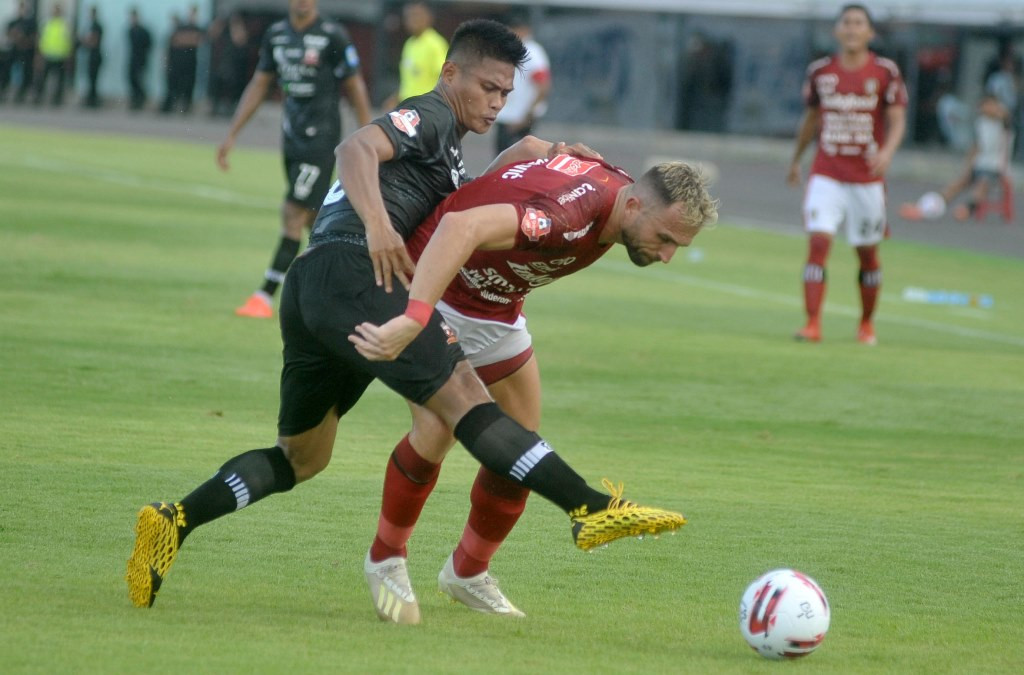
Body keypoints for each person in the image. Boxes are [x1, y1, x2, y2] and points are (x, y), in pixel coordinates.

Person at [126, 18, 687, 613]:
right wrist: (377, 225)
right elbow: (356, 147)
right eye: (489, 88)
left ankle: (174, 520)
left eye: (505, 93)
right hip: (355, 274)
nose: (497, 103)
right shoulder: (434, 114)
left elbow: (494, 178)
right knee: (465, 402)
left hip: (313, 290)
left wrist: (549, 152)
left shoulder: (447, 152)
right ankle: (588, 508)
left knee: (302, 458)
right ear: (451, 75)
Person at [358, 156, 717, 622]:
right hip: (437, 288)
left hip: (496, 306)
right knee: (436, 429)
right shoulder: (567, 216)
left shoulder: (619, 192)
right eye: (665, 239)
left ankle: (467, 573)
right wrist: (416, 315)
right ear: (632, 207)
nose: (667, 255)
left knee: (521, 438)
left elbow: (527, 146)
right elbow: (460, 226)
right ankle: (386, 558)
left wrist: (543, 150)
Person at [221, 0, 373, 319]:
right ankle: (351, 286)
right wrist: (233, 133)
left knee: (292, 211)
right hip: (292, 138)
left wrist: (367, 132)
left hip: (321, 138)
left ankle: (264, 295)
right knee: (311, 219)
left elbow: (354, 83)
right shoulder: (276, 35)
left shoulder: (332, 35)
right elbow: (260, 83)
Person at [786, 3, 906, 346]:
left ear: (870, 32)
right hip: (826, 172)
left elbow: (897, 118)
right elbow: (811, 121)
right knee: (818, 242)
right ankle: (812, 324)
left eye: (859, 23)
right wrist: (796, 159)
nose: (852, 29)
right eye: (847, 23)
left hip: (867, 179)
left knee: (867, 253)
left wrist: (887, 152)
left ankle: (866, 324)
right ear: (837, 31)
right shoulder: (821, 72)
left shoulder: (885, 71)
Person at [899, 94, 1013, 222]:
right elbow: (976, 146)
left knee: (983, 184)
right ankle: (927, 206)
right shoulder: (981, 123)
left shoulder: (1002, 122)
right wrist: (968, 165)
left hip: (996, 166)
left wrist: (998, 109)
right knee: (957, 184)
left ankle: (968, 208)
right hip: (980, 163)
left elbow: (1006, 117)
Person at [494, 13, 551, 153]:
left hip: (521, 115)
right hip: (506, 114)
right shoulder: (508, 49)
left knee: (518, 160)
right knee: (501, 159)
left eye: (517, 28)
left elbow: (543, 85)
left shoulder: (532, 52)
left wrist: (528, 115)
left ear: (526, 30)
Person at [382, 1, 448, 110]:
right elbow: (409, 81)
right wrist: (395, 98)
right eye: (408, 17)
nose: (412, 20)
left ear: (428, 17)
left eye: (416, 15)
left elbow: (445, 79)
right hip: (407, 108)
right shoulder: (409, 44)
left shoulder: (435, 44)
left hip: (425, 109)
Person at [33, 2, 73, 107]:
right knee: (42, 78)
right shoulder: (47, 24)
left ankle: (57, 99)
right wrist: (39, 55)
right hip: (47, 56)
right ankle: (38, 97)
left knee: (60, 80)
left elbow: (68, 42)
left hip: (61, 57)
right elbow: (41, 40)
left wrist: (68, 56)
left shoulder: (64, 25)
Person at [3, 1, 36, 104]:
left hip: (25, 52)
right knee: (6, 71)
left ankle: (21, 93)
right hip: (14, 51)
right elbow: (8, 35)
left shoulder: (30, 23)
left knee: (26, 72)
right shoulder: (13, 22)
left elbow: (33, 37)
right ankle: (4, 89)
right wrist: (15, 36)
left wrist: (23, 39)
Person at [126, 7, 152, 111]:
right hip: (133, 59)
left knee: (139, 79)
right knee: (131, 79)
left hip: (141, 59)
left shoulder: (143, 31)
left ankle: (140, 99)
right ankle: (135, 99)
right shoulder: (130, 30)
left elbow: (148, 45)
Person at [78, 6, 103, 108]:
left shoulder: (96, 26)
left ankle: (93, 100)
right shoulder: (92, 25)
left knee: (93, 79)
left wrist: (82, 40)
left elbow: (93, 42)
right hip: (92, 56)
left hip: (95, 57)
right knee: (91, 79)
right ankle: (91, 99)